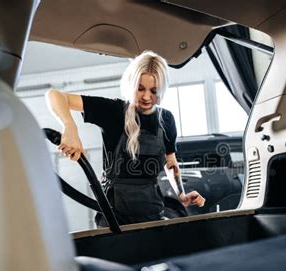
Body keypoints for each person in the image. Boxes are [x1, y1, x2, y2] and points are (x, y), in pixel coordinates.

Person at [45, 50, 205, 226]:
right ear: (131, 84)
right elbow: (54, 95)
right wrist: (70, 127)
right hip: (113, 218)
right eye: (140, 88)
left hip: (151, 215)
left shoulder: (166, 119)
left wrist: (181, 195)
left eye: (153, 90)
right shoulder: (114, 112)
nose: (146, 96)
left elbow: (170, 163)